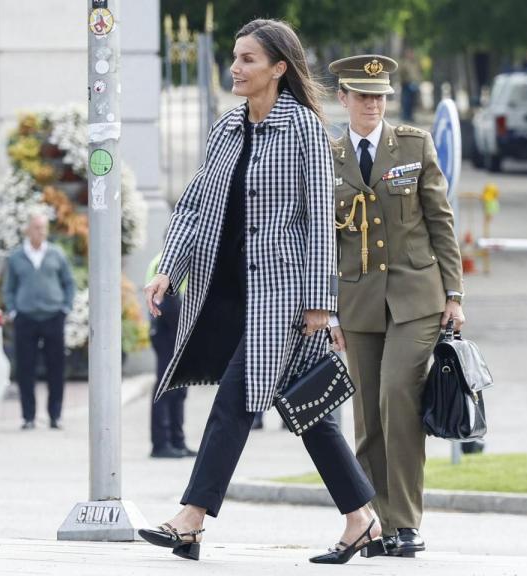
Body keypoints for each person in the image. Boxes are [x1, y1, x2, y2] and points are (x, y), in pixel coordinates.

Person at [139, 19, 385, 564]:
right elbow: (195, 203)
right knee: (310, 414)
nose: (235, 68)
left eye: (247, 59)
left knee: (234, 401)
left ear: (278, 68)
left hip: (282, 297)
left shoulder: (304, 129)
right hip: (226, 293)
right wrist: (168, 269)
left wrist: (320, 302)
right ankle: (361, 519)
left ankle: (191, 518)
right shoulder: (226, 127)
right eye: (235, 57)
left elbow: (320, 222)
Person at [327, 54, 464, 559]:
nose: (373, 104)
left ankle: (404, 523)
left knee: (396, 395)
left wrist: (454, 294)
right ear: (343, 98)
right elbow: (322, 241)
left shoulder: (413, 144)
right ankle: (374, 524)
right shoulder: (327, 155)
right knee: (367, 414)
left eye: (380, 96)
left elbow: (440, 220)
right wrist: (328, 310)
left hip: (416, 296)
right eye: (363, 97)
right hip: (357, 302)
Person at [3, 213, 75, 430]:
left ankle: (55, 415)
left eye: (43, 228)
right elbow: (9, 288)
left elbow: (69, 283)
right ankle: (28, 417)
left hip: (53, 316)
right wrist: (13, 310)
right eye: (36, 227)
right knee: (25, 369)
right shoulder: (16, 257)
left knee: (56, 368)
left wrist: (66, 308)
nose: (41, 232)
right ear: (28, 230)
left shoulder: (56, 254)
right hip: (26, 318)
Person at [146, 252, 194, 459]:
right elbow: (167, 304)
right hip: (168, 332)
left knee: (179, 388)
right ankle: (161, 444)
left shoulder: (184, 260)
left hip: (177, 332)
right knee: (166, 388)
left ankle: (177, 440)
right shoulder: (165, 262)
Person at [397, 49, 421, 122]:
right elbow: (401, 73)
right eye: (409, 54)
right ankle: (405, 115)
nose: (411, 55)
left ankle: (410, 116)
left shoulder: (415, 62)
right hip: (406, 84)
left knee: (413, 102)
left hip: (414, 84)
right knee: (406, 101)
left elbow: (418, 73)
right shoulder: (404, 62)